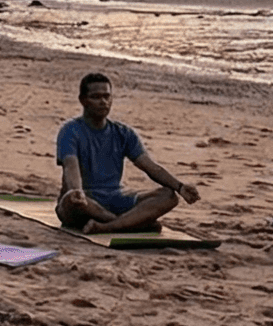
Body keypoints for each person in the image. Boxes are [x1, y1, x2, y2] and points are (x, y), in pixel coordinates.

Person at [54, 72, 201, 233]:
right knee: (71, 200)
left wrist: (180, 187)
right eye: (96, 97)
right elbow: (70, 167)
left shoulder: (123, 133)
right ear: (83, 100)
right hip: (83, 201)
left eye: (106, 97)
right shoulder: (70, 130)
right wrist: (77, 190)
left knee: (169, 196)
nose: (103, 102)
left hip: (116, 199)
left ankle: (108, 226)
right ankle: (132, 223)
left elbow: (151, 167)